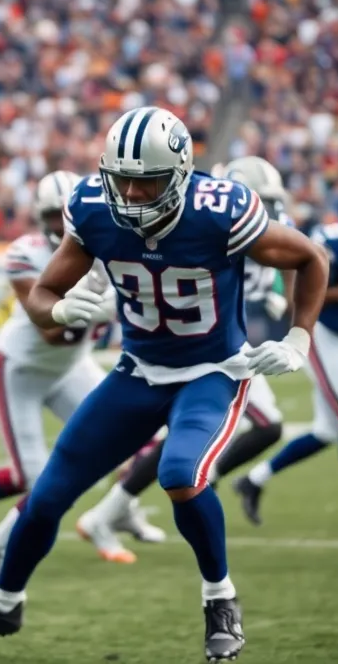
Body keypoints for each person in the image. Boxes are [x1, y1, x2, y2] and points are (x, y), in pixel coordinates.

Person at [0, 106, 329, 662]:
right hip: (138, 370)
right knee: (46, 496)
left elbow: (310, 257)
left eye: (148, 181)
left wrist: (299, 338)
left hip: (212, 371)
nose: (134, 194)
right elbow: (43, 299)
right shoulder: (94, 208)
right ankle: (3, 606)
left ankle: (220, 599)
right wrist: (64, 308)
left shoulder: (219, 211)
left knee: (180, 474)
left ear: (181, 174)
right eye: (123, 180)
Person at [0, 171, 163, 580]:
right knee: (35, 478)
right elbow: (51, 330)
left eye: (66, 214)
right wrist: (106, 307)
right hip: (22, 369)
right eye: (53, 216)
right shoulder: (27, 255)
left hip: (73, 366)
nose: (62, 224)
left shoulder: (116, 241)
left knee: (142, 440)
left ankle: (119, 511)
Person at [74, 155, 292, 554]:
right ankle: (124, 506)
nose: (267, 211)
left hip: (218, 347)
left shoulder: (238, 222)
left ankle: (113, 509)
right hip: (191, 352)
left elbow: (286, 262)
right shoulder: (203, 223)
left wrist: (275, 299)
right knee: (264, 426)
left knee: (207, 438)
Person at [235, 184, 338, 526]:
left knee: (328, 431)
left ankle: (252, 481)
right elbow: (304, 295)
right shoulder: (332, 241)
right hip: (325, 337)